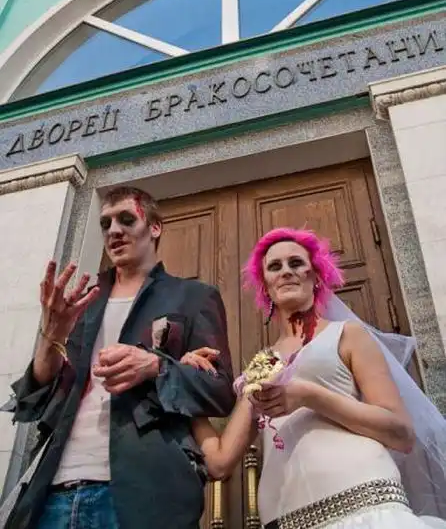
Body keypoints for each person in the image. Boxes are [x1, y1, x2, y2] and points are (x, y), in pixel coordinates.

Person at [184, 227, 446, 529]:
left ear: (317, 276)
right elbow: (219, 463)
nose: (286, 271)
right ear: (265, 286)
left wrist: (310, 396)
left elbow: (401, 433)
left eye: (296, 263)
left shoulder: (347, 335)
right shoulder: (261, 365)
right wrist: (185, 385)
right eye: (275, 266)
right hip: (287, 519)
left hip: (365, 509)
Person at [8, 186, 235, 529]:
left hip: (144, 492)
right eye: (106, 223)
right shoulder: (82, 304)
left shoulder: (193, 297)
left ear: (155, 227)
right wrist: (51, 335)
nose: (114, 230)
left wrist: (155, 366)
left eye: (127, 219)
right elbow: (36, 396)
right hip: (52, 491)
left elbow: (220, 391)